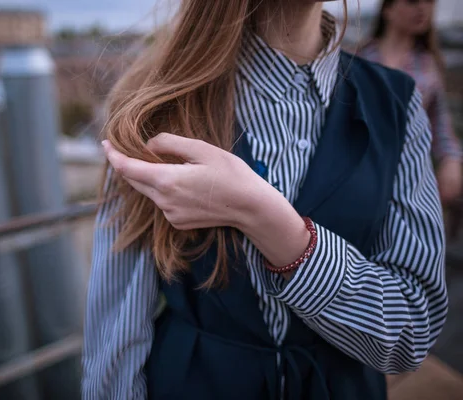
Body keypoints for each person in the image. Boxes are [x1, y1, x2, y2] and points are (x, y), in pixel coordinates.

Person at [83, 0, 448, 399]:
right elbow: (115, 340)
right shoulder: (154, 104)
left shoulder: (396, 103)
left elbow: (413, 332)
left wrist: (265, 217)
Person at [360, 0, 463, 204]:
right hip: (361, 172)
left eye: (430, 2)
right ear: (388, 10)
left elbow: (439, 124)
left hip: (408, 180)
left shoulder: (428, 65)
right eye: (413, 1)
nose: (422, 8)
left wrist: (452, 160)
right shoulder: (359, 58)